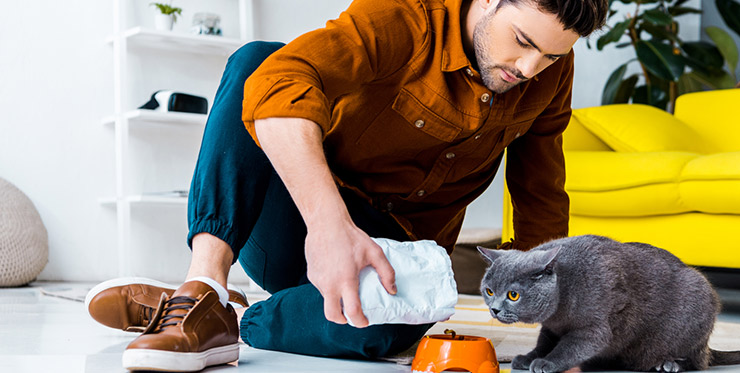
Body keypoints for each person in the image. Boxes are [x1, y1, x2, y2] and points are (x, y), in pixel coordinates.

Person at [85, 0, 608, 371]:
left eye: (552, 56)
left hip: (400, 252)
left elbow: (540, 189)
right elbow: (277, 83)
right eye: (522, 41)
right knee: (257, 61)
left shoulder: (546, 74)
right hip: (302, 225)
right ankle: (203, 284)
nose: (529, 67)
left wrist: (559, 325)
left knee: (388, 332)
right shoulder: (404, 15)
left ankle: (228, 317)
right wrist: (328, 224)